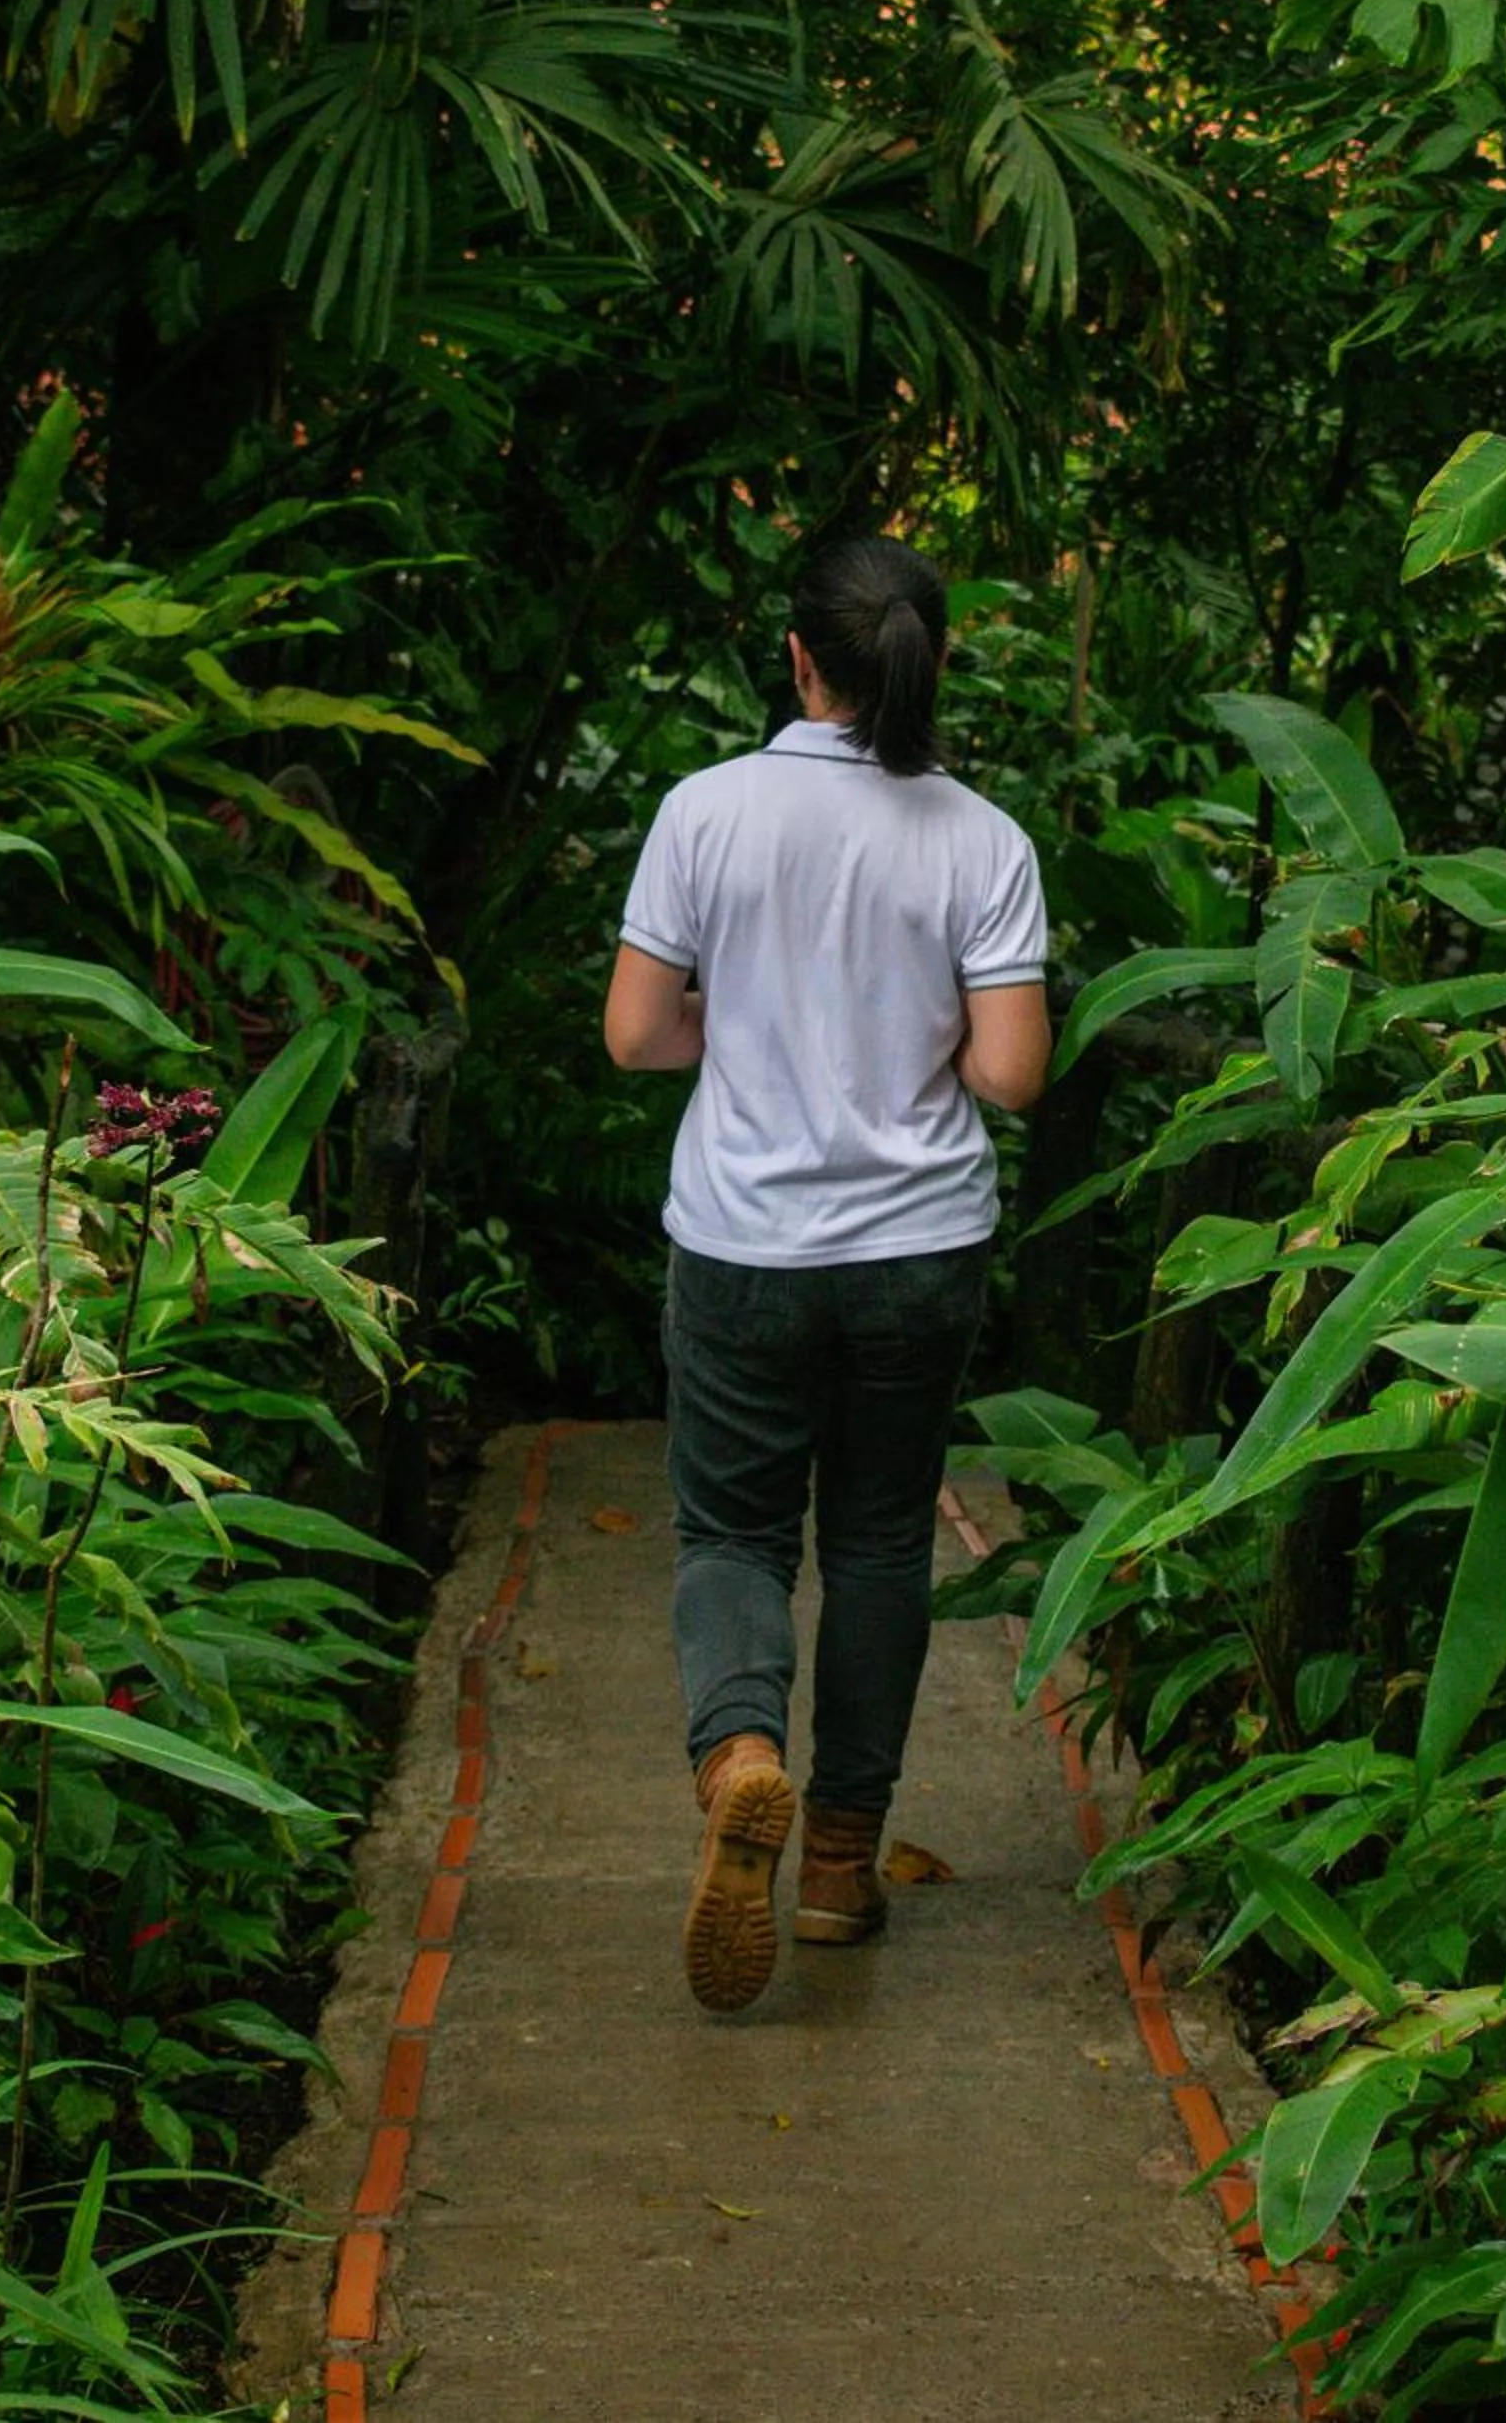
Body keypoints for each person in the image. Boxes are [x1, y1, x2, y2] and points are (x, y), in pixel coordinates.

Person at [603, 535, 1050, 2013]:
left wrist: (731, 1035)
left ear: (799, 659)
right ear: (936, 658)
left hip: (743, 1242)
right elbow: (1011, 1073)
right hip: (919, 1250)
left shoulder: (706, 811)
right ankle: (841, 1869)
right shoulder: (984, 841)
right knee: (875, 1544)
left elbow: (637, 1034)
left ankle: (741, 1752)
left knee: (735, 1533)